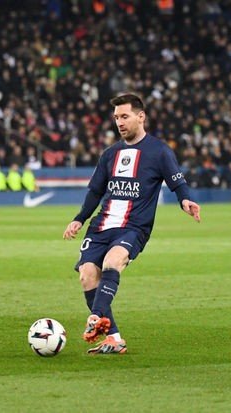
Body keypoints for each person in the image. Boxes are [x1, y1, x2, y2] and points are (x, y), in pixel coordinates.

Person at [63, 93, 201, 354]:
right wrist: (79, 219)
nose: (119, 122)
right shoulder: (110, 154)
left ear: (141, 116)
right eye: (116, 117)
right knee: (87, 276)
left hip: (134, 227)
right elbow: (95, 191)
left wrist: (185, 200)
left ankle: (96, 317)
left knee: (112, 262)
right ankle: (114, 339)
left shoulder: (159, 151)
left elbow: (177, 182)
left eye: (124, 116)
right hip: (101, 226)